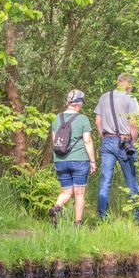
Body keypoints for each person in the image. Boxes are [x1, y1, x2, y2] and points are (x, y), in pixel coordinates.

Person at [94, 73, 139, 220]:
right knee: (131, 180)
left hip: (107, 141)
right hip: (125, 142)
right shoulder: (131, 99)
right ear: (129, 84)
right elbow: (133, 123)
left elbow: (98, 121)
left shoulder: (104, 97)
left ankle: (103, 216)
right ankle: (138, 215)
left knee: (105, 180)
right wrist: (133, 142)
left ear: (118, 82)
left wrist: (104, 137)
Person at [48, 89, 97, 227]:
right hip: (79, 161)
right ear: (78, 103)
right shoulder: (82, 119)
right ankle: (77, 224)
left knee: (66, 192)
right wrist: (92, 161)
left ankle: (56, 207)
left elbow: (54, 140)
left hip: (60, 160)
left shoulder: (56, 118)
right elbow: (87, 141)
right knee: (79, 193)